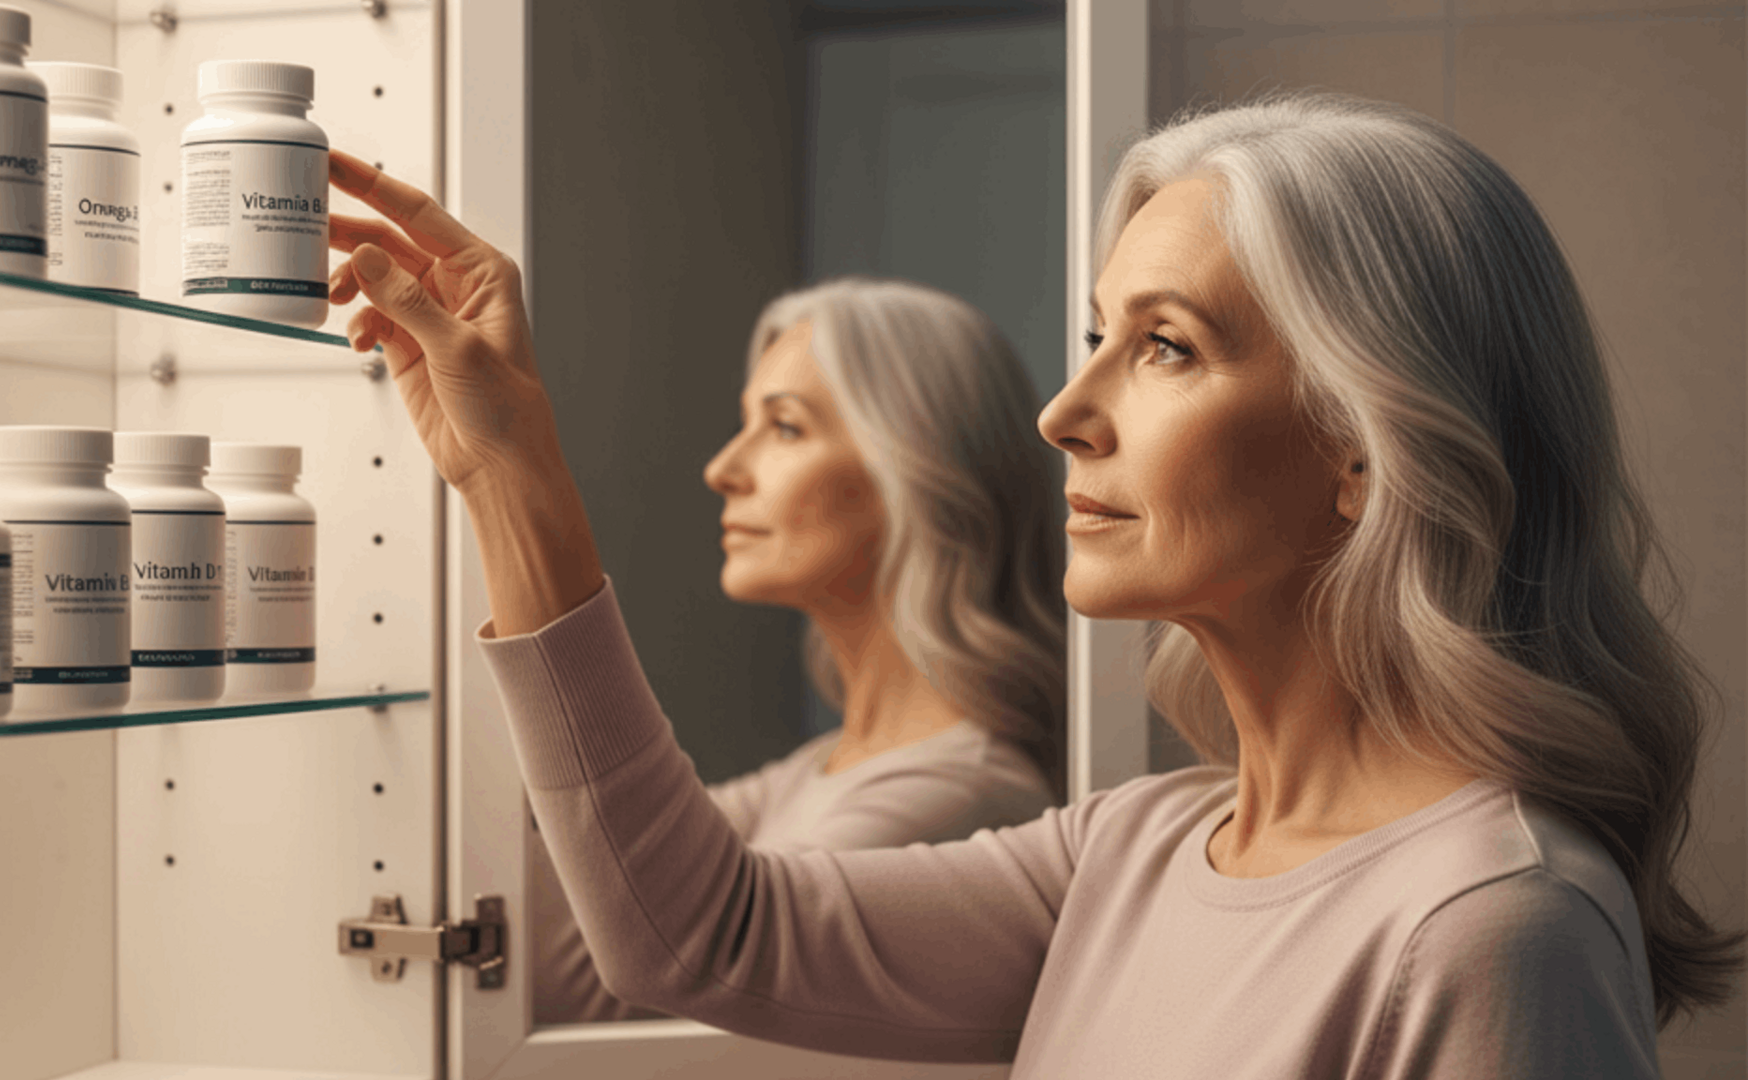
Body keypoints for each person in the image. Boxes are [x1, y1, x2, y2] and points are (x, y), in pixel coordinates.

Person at [326, 89, 1744, 1076]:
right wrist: (510, 477)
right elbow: (696, 932)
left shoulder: (1489, 927)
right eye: (1093, 336)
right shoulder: (1133, 850)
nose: (1066, 411)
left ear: (1365, 451)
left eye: (1168, 347)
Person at [528, 277, 1068, 1023]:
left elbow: (618, 968)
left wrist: (513, 480)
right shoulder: (819, 770)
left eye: (784, 428)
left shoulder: (968, 794)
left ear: (915, 472)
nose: (723, 468)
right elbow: (564, 897)